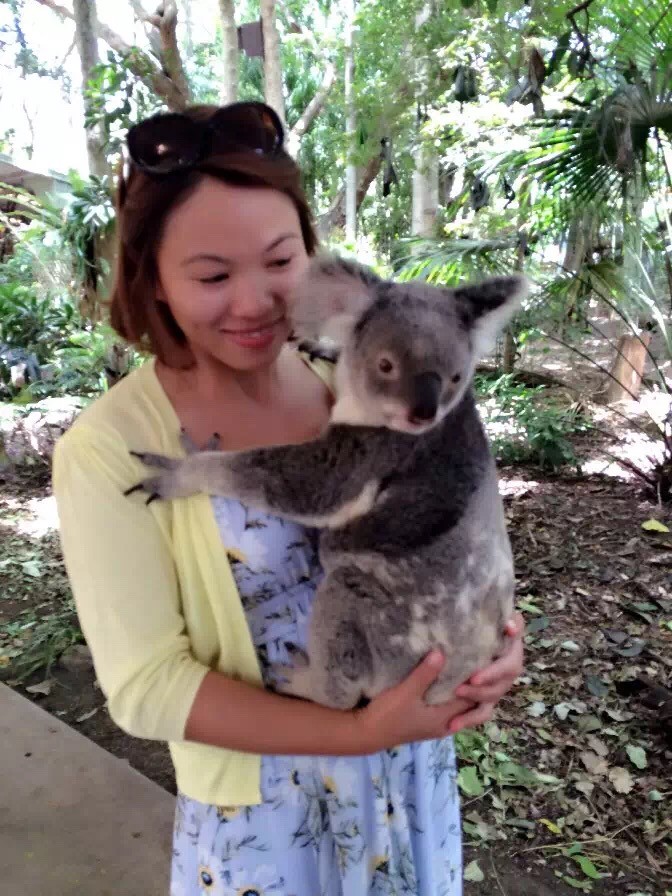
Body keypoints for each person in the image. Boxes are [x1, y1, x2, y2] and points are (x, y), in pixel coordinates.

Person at [53, 102, 524, 896]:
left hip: (409, 770)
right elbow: (147, 689)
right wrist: (359, 731)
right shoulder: (107, 449)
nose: (256, 302)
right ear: (154, 278)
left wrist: (492, 639)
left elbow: (458, 524)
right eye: (212, 276)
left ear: (314, 256)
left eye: (279, 261)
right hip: (269, 812)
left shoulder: (353, 381)